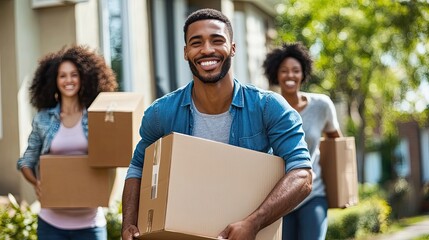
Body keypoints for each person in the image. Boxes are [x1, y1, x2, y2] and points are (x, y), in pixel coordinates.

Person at [121, 8, 313, 240]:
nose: (207, 50)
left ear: (233, 47)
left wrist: (254, 222)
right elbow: (138, 167)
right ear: (185, 52)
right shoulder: (162, 113)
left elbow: (302, 174)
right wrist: (129, 223)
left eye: (217, 40)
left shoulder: (268, 107)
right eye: (196, 42)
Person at [17, 45, 118, 240]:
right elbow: (26, 161)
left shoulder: (98, 117)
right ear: (54, 80)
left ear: (84, 78)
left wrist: (108, 197)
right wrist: (36, 183)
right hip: (51, 224)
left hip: (90, 223)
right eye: (62, 76)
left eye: (74, 75)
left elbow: (111, 161)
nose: (68, 80)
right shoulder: (43, 119)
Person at [263, 42, 343, 240]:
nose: (290, 76)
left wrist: (343, 189)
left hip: (313, 193)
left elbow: (338, 146)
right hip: (281, 196)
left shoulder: (321, 105)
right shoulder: (266, 107)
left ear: (303, 73)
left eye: (295, 70)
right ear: (276, 74)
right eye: (284, 71)